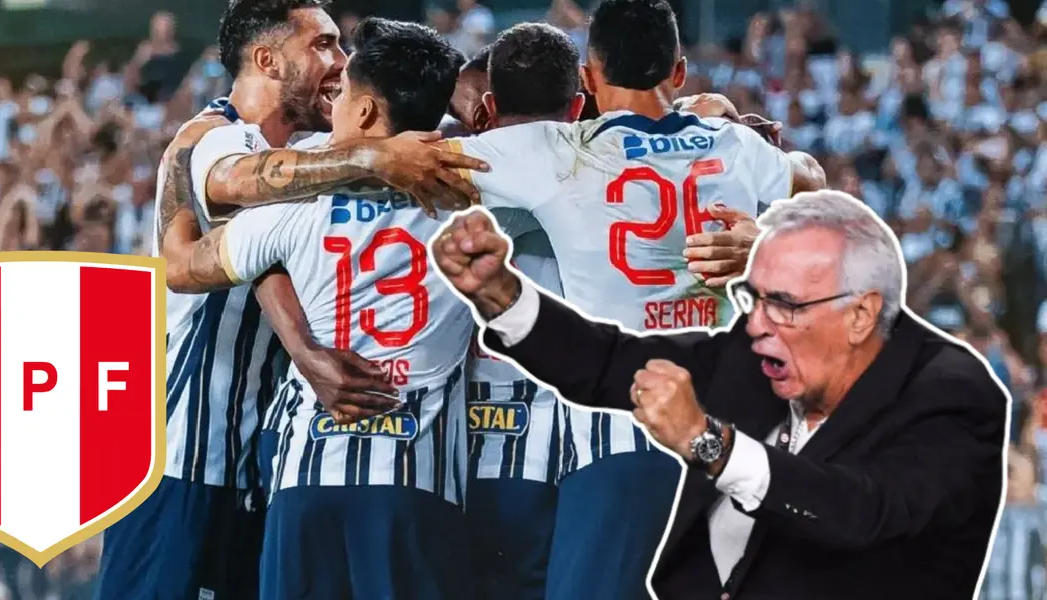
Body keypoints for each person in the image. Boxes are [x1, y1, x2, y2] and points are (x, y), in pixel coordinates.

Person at [432, 190, 1009, 599]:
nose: (755, 323)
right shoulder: (757, 357)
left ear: (861, 314)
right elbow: (614, 363)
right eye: (752, 297)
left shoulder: (951, 397)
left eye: (783, 304)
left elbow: (858, 511)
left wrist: (709, 443)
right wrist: (504, 298)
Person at [97, 0, 483, 597]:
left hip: (268, 458)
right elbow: (239, 186)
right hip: (185, 457)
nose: (340, 61)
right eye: (323, 45)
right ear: (267, 59)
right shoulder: (210, 136)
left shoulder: (319, 150)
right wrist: (376, 156)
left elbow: (274, 250)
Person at [438, 0, 824, 596]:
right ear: (677, 70)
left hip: (622, 442)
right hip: (727, 445)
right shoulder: (738, 149)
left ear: (589, 80)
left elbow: (418, 159)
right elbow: (811, 179)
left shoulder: (558, 151)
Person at [447, 24, 578, 600]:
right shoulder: (607, 166)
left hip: (447, 438)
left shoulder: (438, 165)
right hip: (558, 436)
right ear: (577, 104)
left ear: (490, 105)